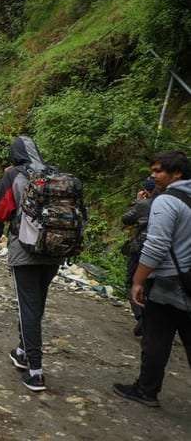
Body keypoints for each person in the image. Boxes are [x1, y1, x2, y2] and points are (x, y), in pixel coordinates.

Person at [114, 150, 191, 408]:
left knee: (156, 338)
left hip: (168, 280)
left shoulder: (166, 201)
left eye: (158, 170)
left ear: (176, 173)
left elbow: (156, 245)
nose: (153, 175)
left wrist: (138, 280)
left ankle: (146, 390)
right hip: (188, 277)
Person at [0, 136, 64, 392]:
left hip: (25, 249)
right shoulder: (54, 173)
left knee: (27, 307)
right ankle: (22, 351)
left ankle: (35, 371)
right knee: (37, 303)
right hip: (56, 248)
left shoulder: (15, 175)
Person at [120, 177, 157, 335]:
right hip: (163, 252)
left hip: (141, 248)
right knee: (152, 285)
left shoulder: (143, 204)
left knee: (133, 282)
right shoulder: (174, 202)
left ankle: (142, 317)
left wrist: (137, 201)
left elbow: (126, 218)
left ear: (146, 190)